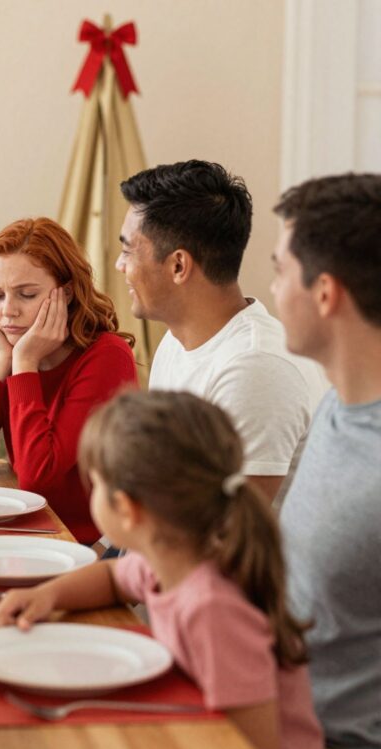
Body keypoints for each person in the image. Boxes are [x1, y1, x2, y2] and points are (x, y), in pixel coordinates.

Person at [0, 390, 327, 749]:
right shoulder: (169, 562)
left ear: (126, 509)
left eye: (96, 485)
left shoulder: (214, 608)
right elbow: (113, 578)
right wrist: (48, 595)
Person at [117, 160, 327, 502]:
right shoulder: (176, 340)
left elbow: (225, 538)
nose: (119, 264)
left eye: (128, 250)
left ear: (178, 266)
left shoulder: (256, 368)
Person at [270, 173, 381, 749]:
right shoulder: (339, 401)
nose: (271, 289)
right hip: (270, 718)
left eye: (280, 270)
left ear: (325, 293)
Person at [0, 217, 137, 544]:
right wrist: (2, 363)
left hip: (87, 544)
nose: (8, 312)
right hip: (24, 531)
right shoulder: (0, 348)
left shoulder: (106, 357)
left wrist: (25, 363)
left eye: (26, 295)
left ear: (67, 293)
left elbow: (38, 478)